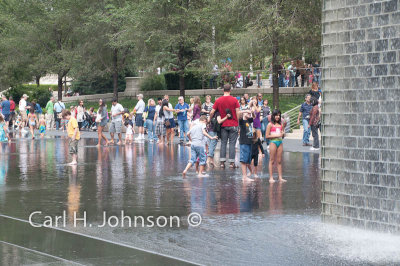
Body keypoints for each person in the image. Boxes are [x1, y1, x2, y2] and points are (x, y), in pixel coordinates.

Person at [210, 84, 240, 169]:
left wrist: (210, 118)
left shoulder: (218, 100)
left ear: (223, 90)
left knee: (223, 143)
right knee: (232, 144)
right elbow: (238, 112)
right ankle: (231, 163)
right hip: (233, 124)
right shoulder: (234, 100)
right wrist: (238, 123)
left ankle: (222, 162)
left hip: (223, 125)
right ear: (230, 90)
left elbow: (212, 112)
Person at [266, 109, 287, 183]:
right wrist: (278, 135)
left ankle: (280, 177)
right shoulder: (270, 124)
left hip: (280, 142)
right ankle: (271, 177)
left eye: (279, 115)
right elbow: (267, 136)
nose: (277, 117)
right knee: (272, 160)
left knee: (279, 161)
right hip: (273, 142)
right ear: (273, 116)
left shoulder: (281, 124)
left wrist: (283, 134)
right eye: (276, 115)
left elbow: (283, 135)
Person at [238, 110, 254, 180]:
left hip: (249, 142)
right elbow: (238, 113)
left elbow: (254, 116)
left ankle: (246, 176)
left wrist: (251, 112)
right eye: (248, 113)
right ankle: (244, 177)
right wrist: (245, 110)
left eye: (249, 113)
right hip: (244, 142)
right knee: (243, 160)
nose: (249, 114)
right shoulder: (242, 122)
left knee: (247, 160)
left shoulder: (249, 121)